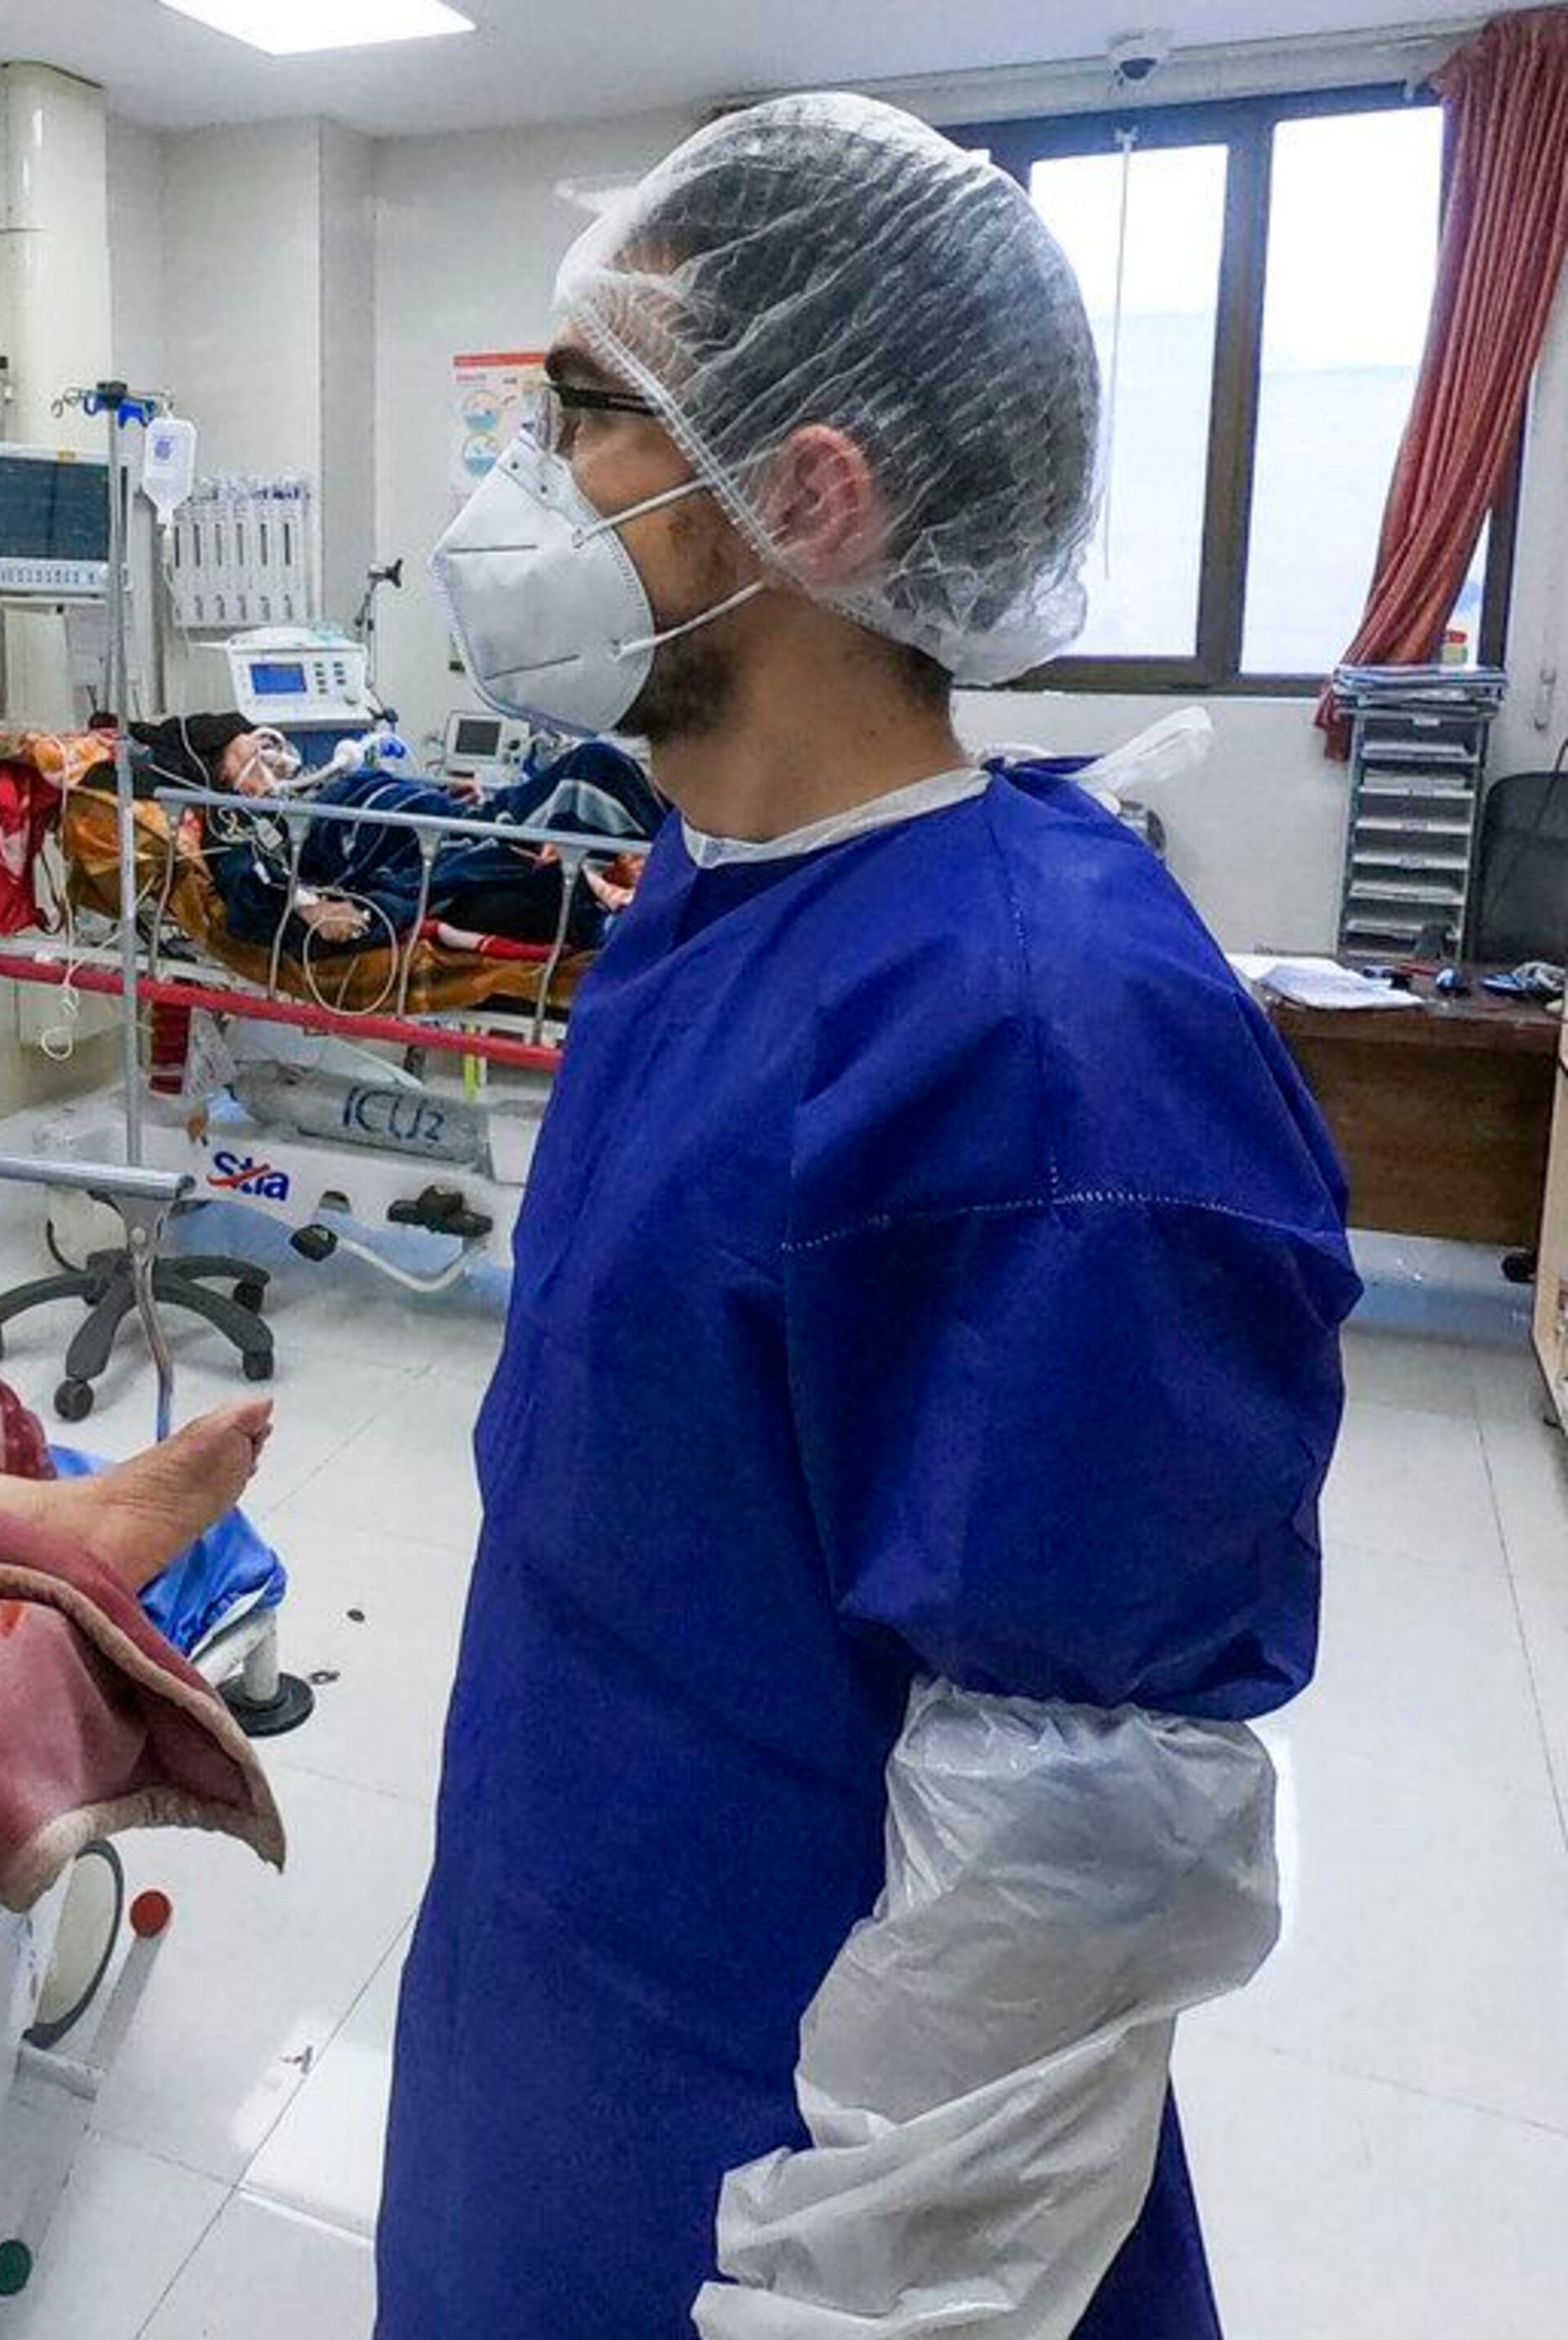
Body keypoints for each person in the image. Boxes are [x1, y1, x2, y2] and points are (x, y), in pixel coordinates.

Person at [383, 93, 1358, 2338]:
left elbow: (1074, 1858)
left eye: (577, 426)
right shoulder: (704, 897)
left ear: (807, 495)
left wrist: (852, 2301)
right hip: (556, 1990)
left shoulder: (1040, 1049)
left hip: (781, 2172)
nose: (508, 500)